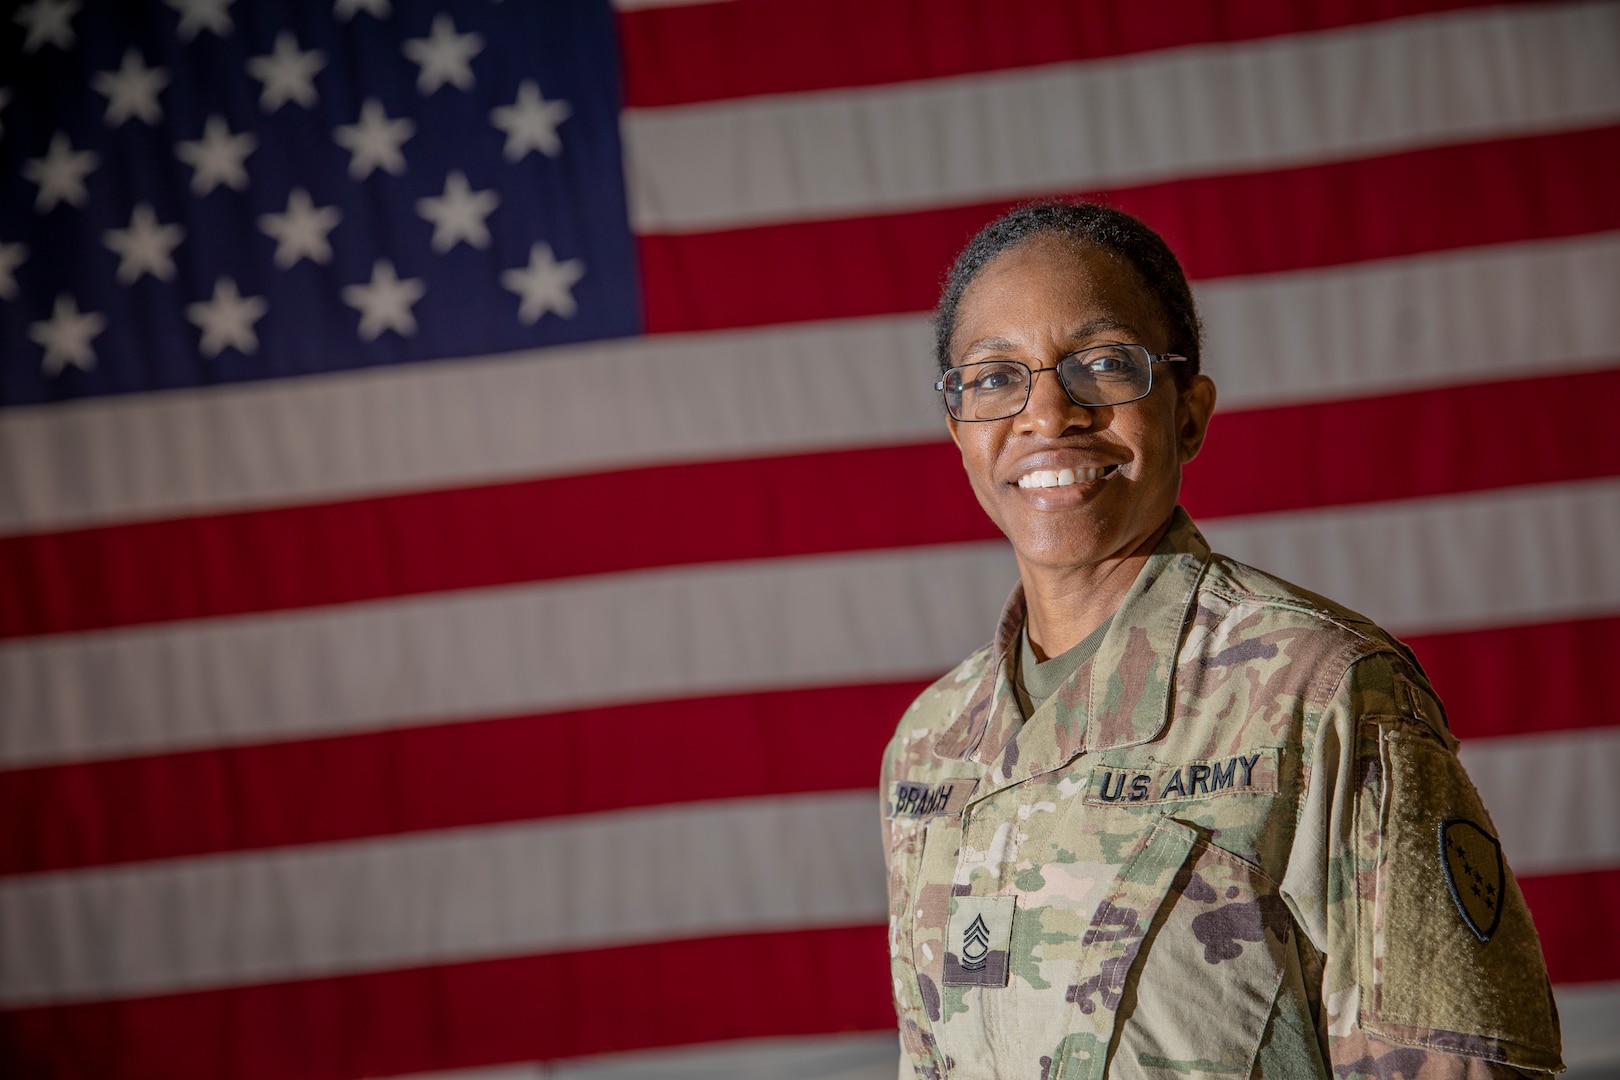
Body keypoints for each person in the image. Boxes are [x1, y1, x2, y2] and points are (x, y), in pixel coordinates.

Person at [880, 201, 1563, 1079]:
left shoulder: (1320, 691)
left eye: (1105, 364)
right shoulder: (931, 744)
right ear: (961, 432)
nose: (1048, 412)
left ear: (1190, 414)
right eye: (994, 377)